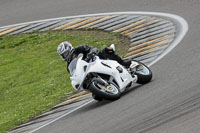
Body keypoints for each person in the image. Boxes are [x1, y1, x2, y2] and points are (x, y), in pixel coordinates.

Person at [57, 41, 132, 72]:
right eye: (63, 55)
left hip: (96, 60)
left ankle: (123, 62)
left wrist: (91, 52)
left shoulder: (80, 49)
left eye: (65, 53)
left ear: (69, 48)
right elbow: (74, 74)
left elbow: (93, 48)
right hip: (89, 71)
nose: (65, 55)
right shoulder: (69, 66)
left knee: (106, 50)